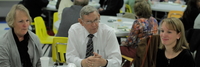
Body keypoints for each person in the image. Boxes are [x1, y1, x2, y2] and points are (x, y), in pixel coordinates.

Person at [120, 1, 158, 67]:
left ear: (137, 11)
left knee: (117, 48)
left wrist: (123, 43)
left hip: (139, 51)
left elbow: (131, 40)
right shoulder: (154, 20)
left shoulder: (138, 22)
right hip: (151, 50)